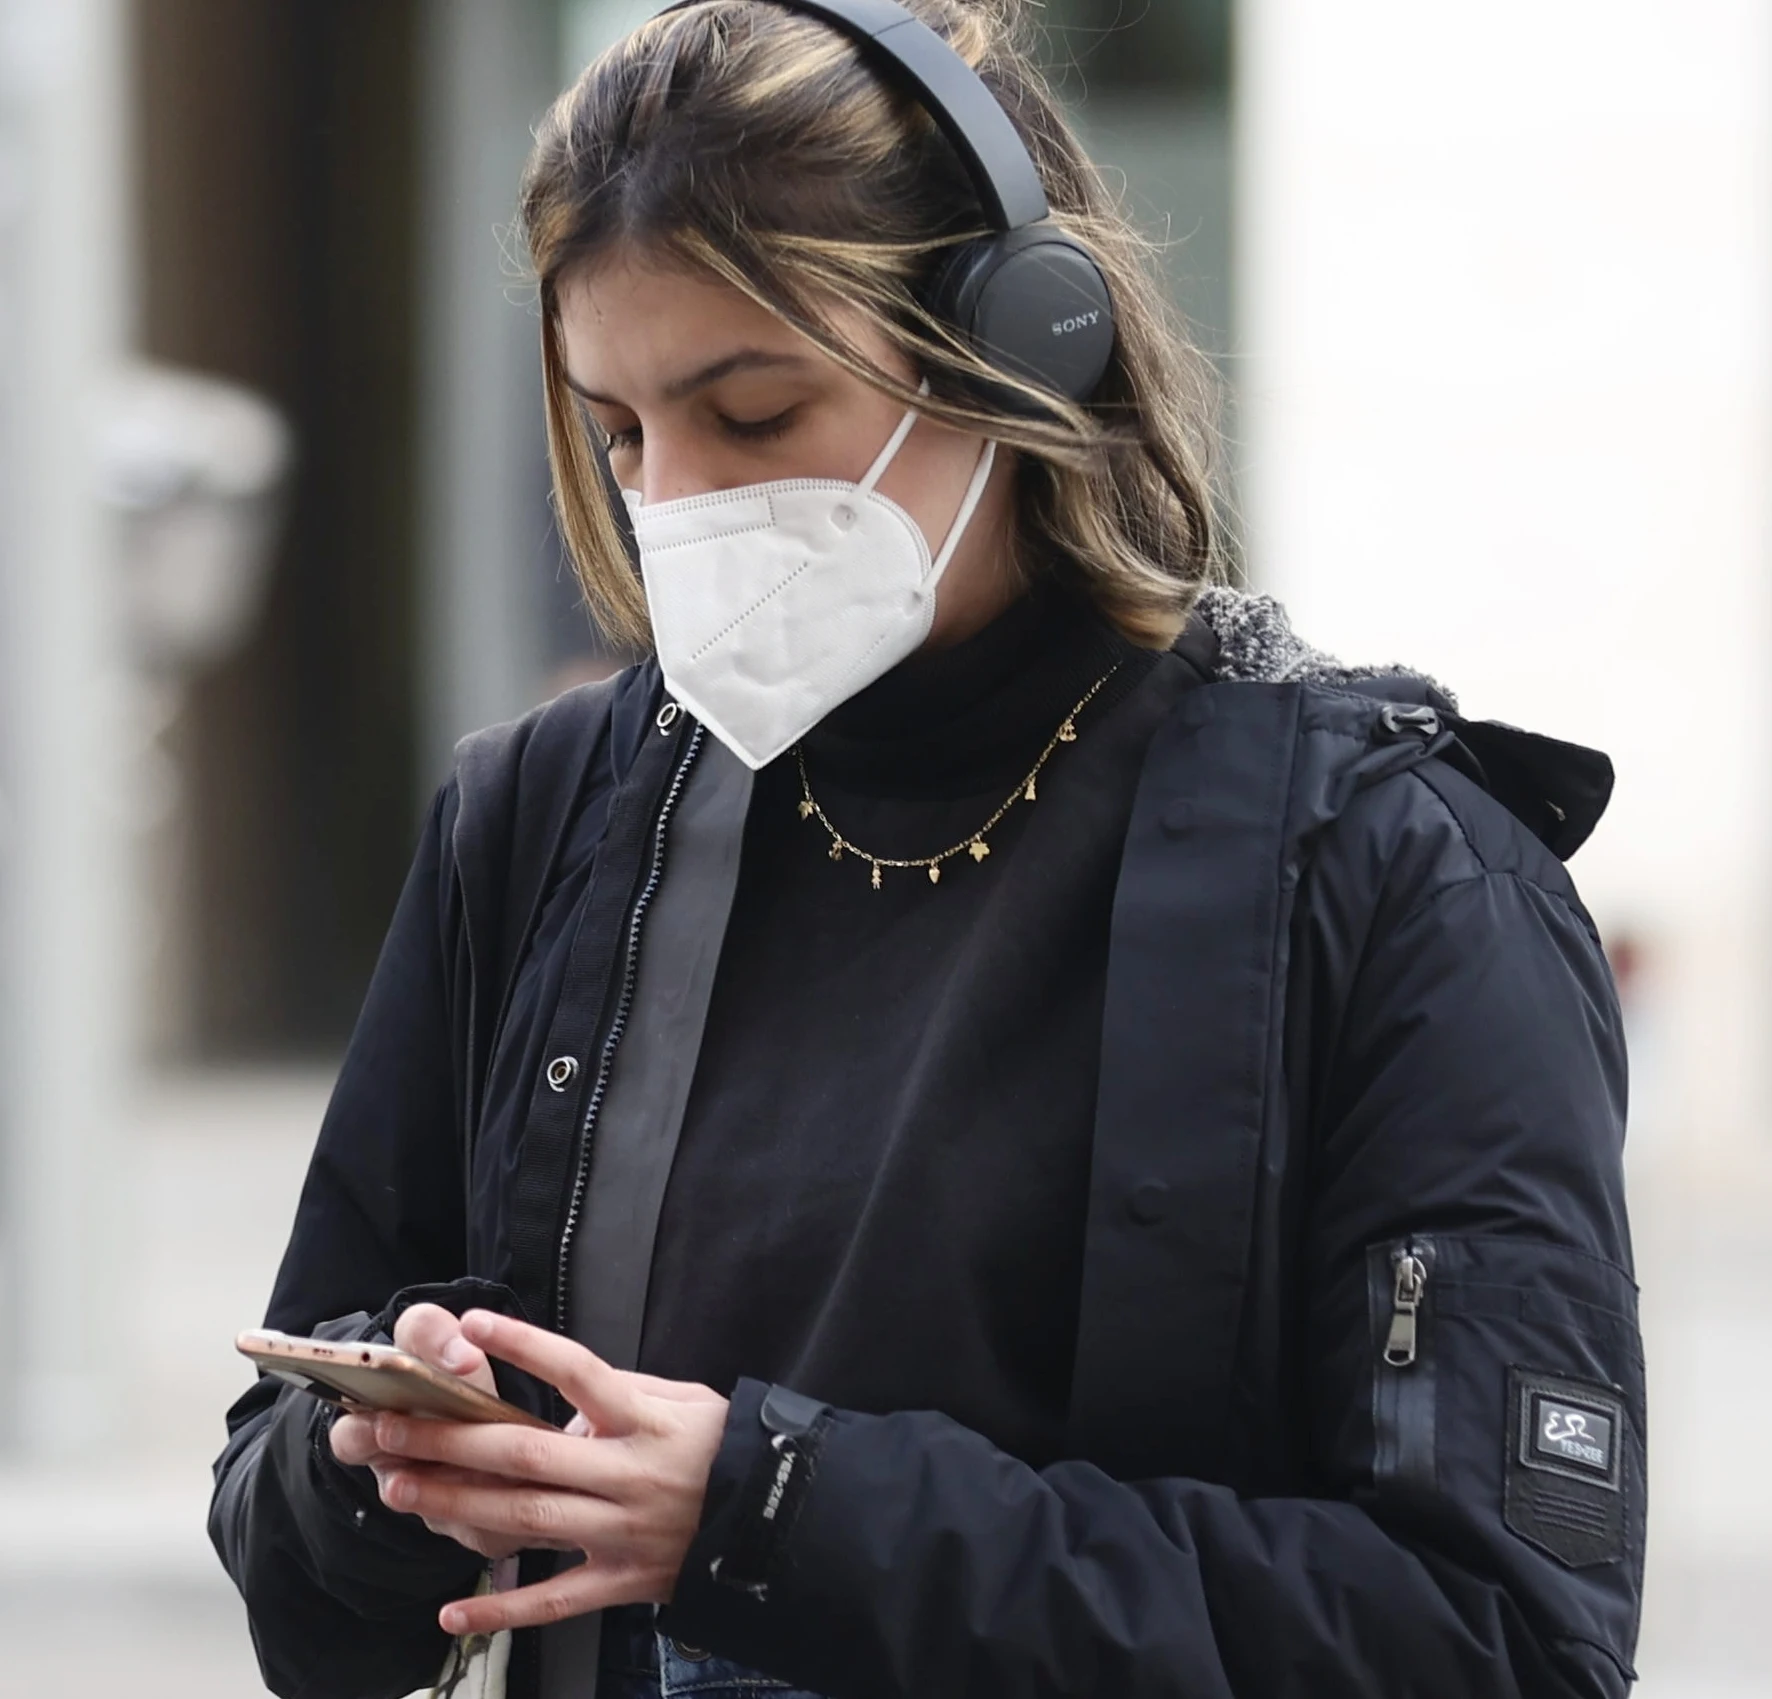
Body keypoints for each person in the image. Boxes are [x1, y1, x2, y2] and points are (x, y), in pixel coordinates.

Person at [206, 6, 1643, 1699]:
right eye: (619, 433)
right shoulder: (540, 816)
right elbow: (298, 1586)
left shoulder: (1387, 868)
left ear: (1026, 349)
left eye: (752, 409)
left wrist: (764, 1511)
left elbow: (1497, 1637)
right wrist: (386, 1453)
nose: (678, 503)